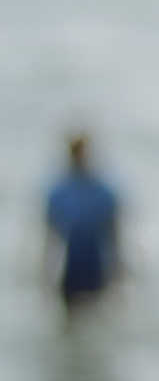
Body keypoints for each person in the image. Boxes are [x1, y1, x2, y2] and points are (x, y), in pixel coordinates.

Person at [45, 131, 123, 316]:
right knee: (71, 324)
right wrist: (45, 275)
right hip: (71, 268)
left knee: (96, 324)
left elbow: (114, 235)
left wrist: (118, 271)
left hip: (96, 268)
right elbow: (50, 236)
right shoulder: (59, 193)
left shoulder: (104, 193)